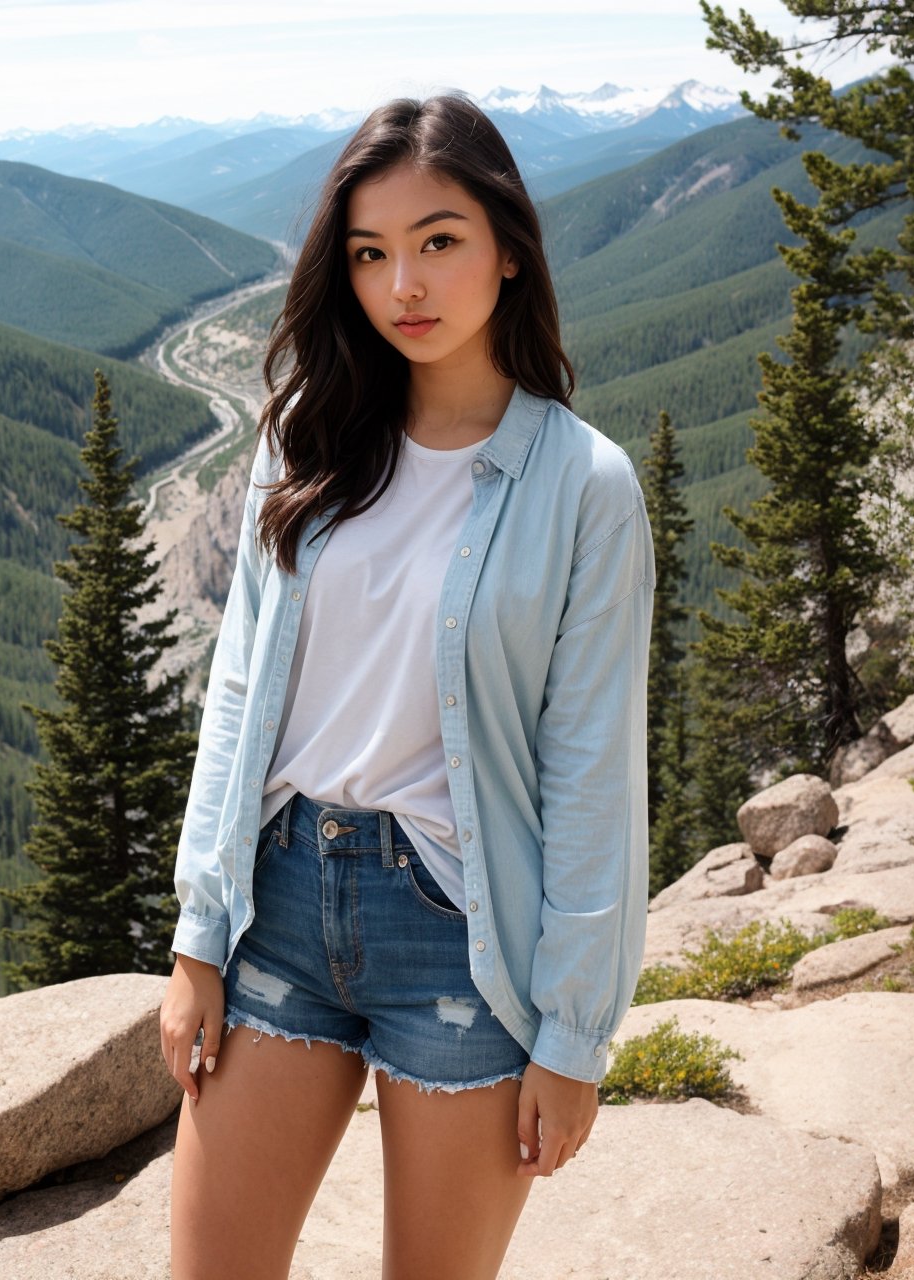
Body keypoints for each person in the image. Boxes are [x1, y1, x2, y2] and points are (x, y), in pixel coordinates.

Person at [159, 93, 655, 1280]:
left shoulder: (583, 486)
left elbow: (591, 769)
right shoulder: (305, 434)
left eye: (437, 241)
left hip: (457, 935)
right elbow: (238, 691)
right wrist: (195, 933)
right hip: (278, 900)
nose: (403, 286)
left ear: (508, 247)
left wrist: (573, 1036)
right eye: (370, 254)